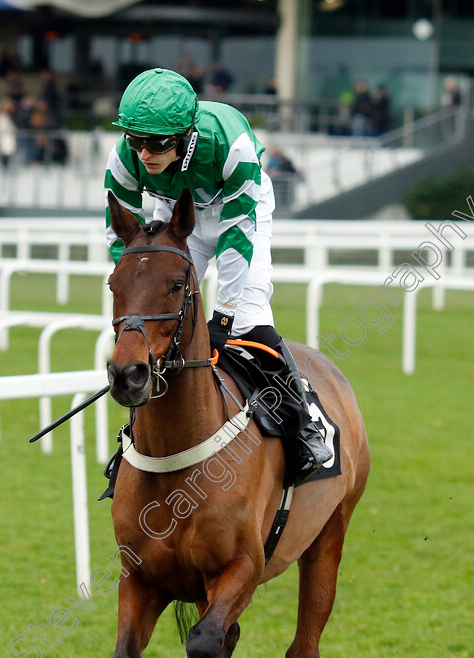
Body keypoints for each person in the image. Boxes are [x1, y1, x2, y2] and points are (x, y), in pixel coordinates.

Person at [104, 68, 332, 480]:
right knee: (162, 326)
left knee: (250, 319)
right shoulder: (124, 158)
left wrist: (223, 317)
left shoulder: (232, 147)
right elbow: (119, 238)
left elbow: (236, 242)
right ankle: (138, 443)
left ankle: (304, 428)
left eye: (156, 143)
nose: (144, 154)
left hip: (240, 212)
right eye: (136, 141)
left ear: (187, 135)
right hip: (176, 214)